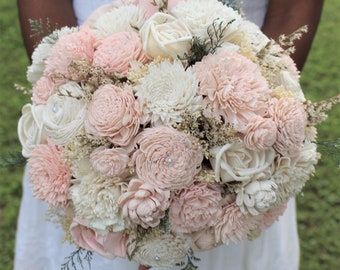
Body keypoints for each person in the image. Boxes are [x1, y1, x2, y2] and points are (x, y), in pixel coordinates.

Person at [15, 0, 324, 269]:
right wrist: (70, 95)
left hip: (239, 115)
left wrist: (259, 102)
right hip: (93, 77)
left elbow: (292, 8)